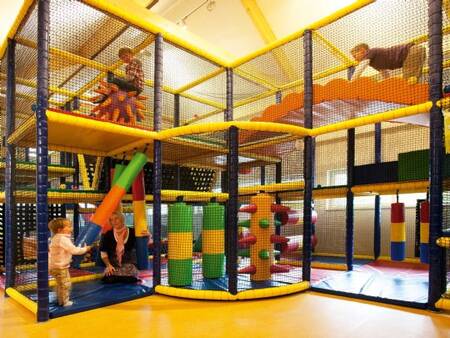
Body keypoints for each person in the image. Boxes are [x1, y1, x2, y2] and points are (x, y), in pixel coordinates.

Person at [48, 218, 91, 307]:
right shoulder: (62, 239)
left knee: (60, 283)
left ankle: (60, 299)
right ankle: (64, 302)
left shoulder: (56, 237)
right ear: (60, 230)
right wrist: (85, 249)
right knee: (65, 284)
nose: (71, 228)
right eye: (68, 226)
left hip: (54, 266)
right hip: (60, 267)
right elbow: (74, 250)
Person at [99, 211, 149, 283]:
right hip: (114, 265)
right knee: (109, 279)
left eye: (116, 218)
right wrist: (108, 266)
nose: (114, 221)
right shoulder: (108, 234)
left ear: (122, 219)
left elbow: (143, 246)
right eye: (111, 220)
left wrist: (147, 235)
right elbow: (103, 253)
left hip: (129, 264)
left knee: (130, 278)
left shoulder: (132, 232)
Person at [350, 42, 426, 83]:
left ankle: (413, 102)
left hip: (411, 52)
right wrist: (388, 84)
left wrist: (352, 81)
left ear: (362, 51)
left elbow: (361, 67)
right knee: (412, 79)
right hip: (412, 53)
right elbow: (384, 73)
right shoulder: (373, 63)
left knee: (409, 81)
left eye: (355, 56)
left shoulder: (371, 52)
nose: (355, 60)